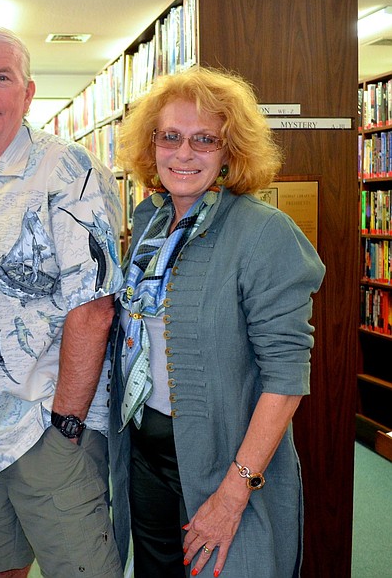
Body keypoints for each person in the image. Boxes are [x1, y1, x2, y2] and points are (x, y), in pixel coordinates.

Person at [110, 66, 326, 578]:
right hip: (145, 451)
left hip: (225, 460)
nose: (184, 153)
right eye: (171, 137)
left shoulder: (265, 233)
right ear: (152, 145)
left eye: (205, 140)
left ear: (231, 151)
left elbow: (286, 380)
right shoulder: (150, 222)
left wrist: (234, 494)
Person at [0, 27, 125, 578]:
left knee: (82, 570)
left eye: (1, 77)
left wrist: (67, 424)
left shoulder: (68, 170)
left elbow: (94, 306)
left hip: (49, 424)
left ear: (28, 92)